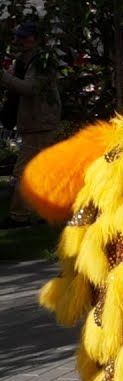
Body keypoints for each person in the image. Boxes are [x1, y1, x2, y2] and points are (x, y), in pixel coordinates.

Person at [0, 23, 62, 229]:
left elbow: (30, 88)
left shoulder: (43, 61)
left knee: (22, 172)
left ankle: (19, 216)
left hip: (40, 123)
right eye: (17, 37)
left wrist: (3, 76)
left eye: (24, 38)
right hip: (34, 122)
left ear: (35, 39)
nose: (18, 41)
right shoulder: (23, 60)